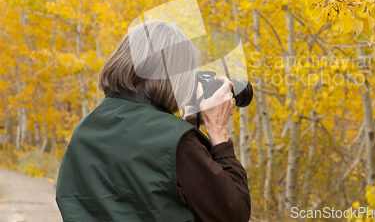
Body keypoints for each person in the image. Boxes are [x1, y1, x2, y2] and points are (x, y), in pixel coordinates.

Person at [56, 20, 251, 222]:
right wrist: (217, 130)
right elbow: (234, 213)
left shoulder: (85, 129)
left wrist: (186, 126)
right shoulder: (178, 143)